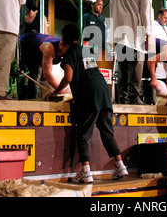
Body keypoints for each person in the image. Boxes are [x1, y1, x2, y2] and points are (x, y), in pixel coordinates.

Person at [46, 24, 128, 183]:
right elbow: (88, 72)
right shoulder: (86, 50)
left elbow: (68, 77)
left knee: (83, 134)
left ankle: (86, 172)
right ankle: (121, 166)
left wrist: (55, 92)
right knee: (107, 132)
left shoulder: (70, 53)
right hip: (104, 91)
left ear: (64, 39)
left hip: (90, 94)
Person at [110, 0, 162, 105]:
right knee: (135, 66)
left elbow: (112, 3)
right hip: (135, 32)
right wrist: (148, 34)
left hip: (119, 30)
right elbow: (145, 11)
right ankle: (133, 98)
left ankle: (122, 98)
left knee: (123, 67)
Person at [19, 33, 68, 99]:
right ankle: (32, 98)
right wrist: (61, 91)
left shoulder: (65, 49)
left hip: (38, 48)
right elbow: (47, 74)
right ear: (61, 45)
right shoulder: (49, 49)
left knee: (43, 76)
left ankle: (42, 96)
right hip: (26, 44)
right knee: (36, 73)